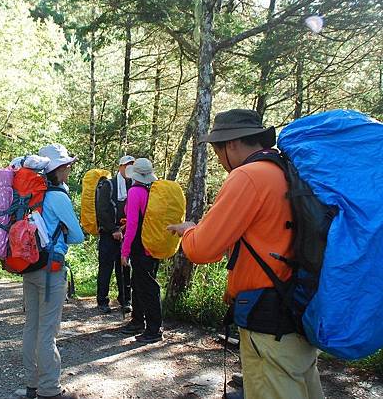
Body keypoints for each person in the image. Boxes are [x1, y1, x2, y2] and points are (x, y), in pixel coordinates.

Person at [167, 109, 323, 399]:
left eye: (216, 149)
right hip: (298, 308)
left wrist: (189, 231)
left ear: (232, 144)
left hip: (268, 321)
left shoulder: (249, 176)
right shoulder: (285, 171)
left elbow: (202, 250)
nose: (217, 157)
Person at [21, 143, 84, 399]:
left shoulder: (28, 194)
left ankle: (31, 385)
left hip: (29, 265)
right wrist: (65, 234)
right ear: (57, 170)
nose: (69, 170)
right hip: (51, 269)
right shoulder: (58, 197)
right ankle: (50, 390)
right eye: (66, 166)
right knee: (47, 331)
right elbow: (78, 236)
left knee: (31, 327)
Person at [119, 158, 163, 343]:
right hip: (153, 244)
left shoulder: (135, 191)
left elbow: (133, 225)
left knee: (147, 287)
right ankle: (138, 321)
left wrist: (124, 251)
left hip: (140, 245)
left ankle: (154, 329)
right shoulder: (154, 190)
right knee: (140, 284)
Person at [95, 155, 134, 314]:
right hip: (108, 233)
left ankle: (125, 299)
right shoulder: (108, 185)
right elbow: (101, 210)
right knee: (106, 267)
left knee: (125, 267)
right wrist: (113, 229)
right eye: (127, 165)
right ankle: (102, 301)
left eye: (132, 165)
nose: (129, 168)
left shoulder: (134, 185)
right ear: (120, 167)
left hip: (126, 233)